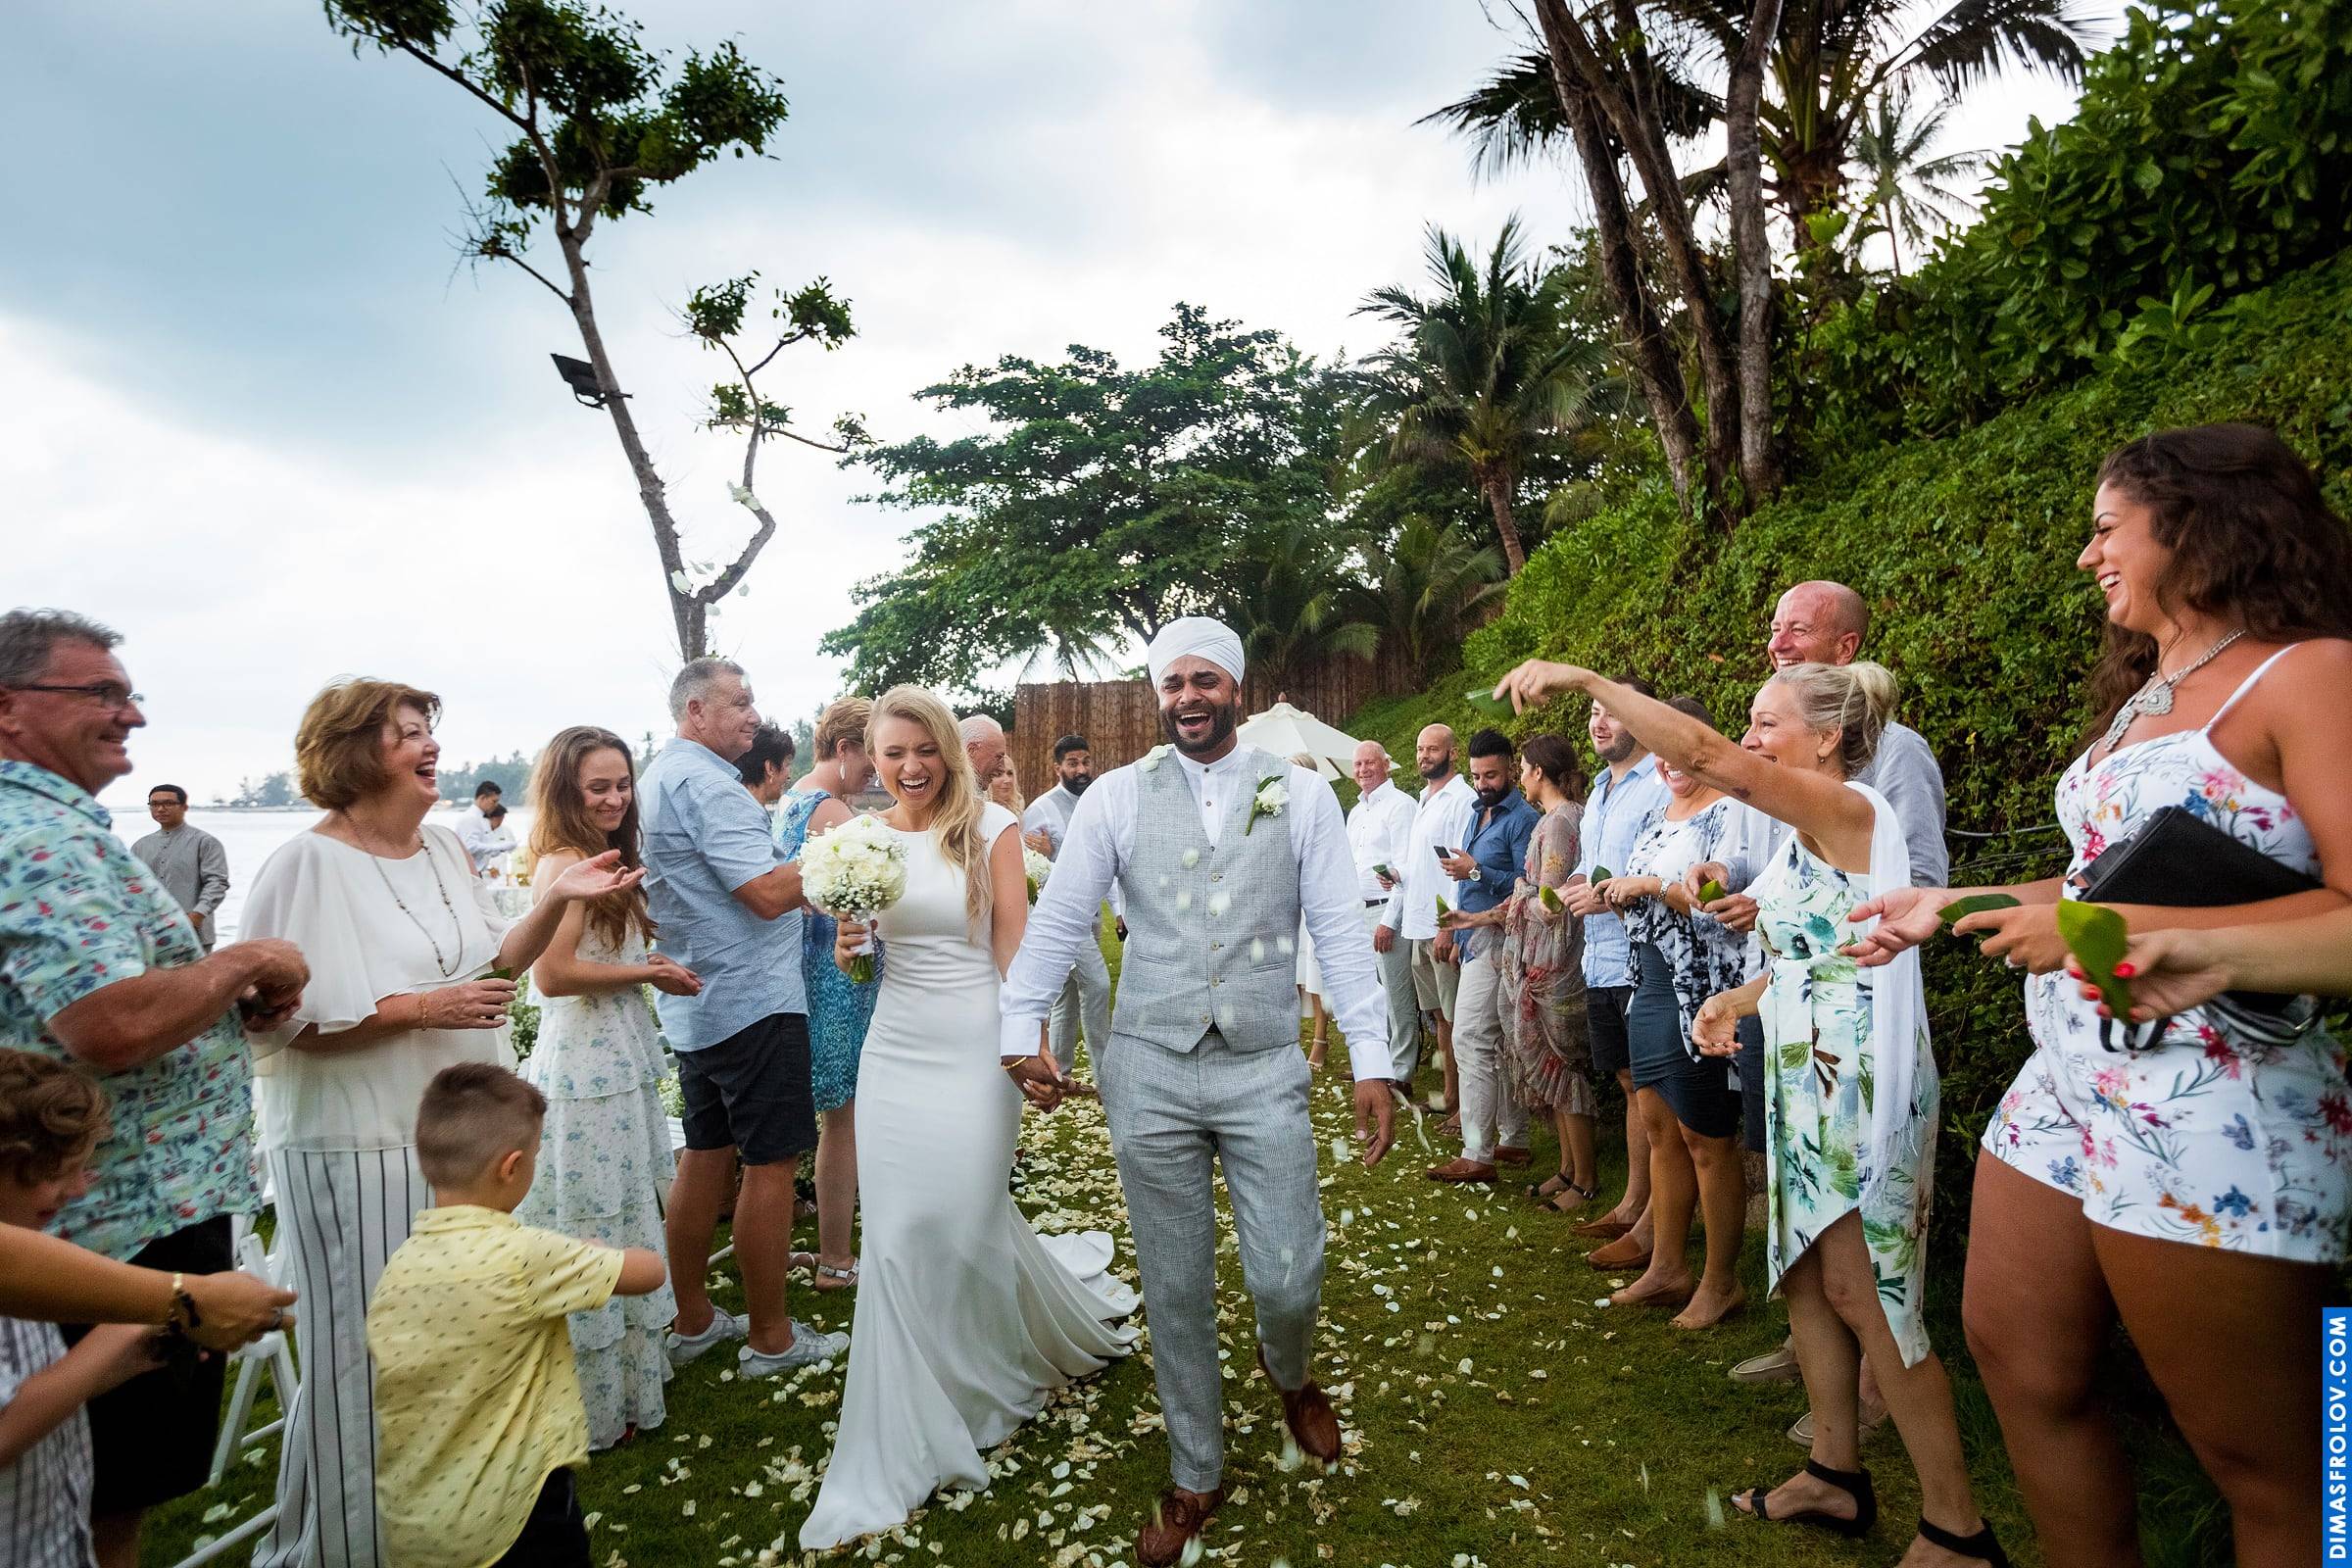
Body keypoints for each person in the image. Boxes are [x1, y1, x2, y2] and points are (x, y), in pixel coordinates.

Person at [1843, 424, 2352, 1568]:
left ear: (2198, 522)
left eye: (2108, 527)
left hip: (2220, 1097)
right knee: (2017, 1358)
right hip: (2070, 1075)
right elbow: (2096, 886)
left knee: (2283, 1462)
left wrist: (2111, 934)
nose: (2088, 556)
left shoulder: (2309, 673)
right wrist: (1951, 902)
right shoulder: (2148, 691)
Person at [1494, 656, 2006, 1568]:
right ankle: (1834, 1474)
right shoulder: (1801, 838)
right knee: (1804, 1276)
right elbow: (1823, 953)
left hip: (1859, 1081)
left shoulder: (1850, 811)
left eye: (1768, 723)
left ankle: (1957, 1528)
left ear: (1829, 737)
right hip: (1805, 1071)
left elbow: (1706, 757)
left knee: (1871, 1295)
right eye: (1749, 723)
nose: (1750, 739)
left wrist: (1588, 684)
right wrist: (1736, 999)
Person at [996, 616, 1396, 1566]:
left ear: (1235, 690)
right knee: (1174, 1283)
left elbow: (1339, 932)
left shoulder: (1301, 795)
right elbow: (1061, 921)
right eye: (1173, 682)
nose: (1188, 696)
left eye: (1204, 680)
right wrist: (1019, 1030)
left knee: (1289, 1270)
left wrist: (1371, 1057)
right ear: (1157, 693)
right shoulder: (1115, 798)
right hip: (1151, 1067)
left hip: (1263, 1063)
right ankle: (1196, 1470)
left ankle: (1288, 1368)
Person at [241, 677, 643, 1568]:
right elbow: (275, 1021)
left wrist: (557, 899)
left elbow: (496, 965)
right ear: (353, 753)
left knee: (462, 1354)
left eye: (429, 729)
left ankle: (454, 1536)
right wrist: (421, 1009)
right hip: (360, 1145)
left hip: (457, 1148)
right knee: (371, 1362)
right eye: (407, 732)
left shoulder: (444, 850)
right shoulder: (306, 865)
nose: (430, 745)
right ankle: (347, 1548)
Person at [0, 608, 309, 1568]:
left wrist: (215, 1005)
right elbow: (110, 1024)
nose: (130, 714)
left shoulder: (64, 829)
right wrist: (244, 959)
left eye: (130, 694)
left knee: (95, 1494)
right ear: (10, 707)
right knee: (93, 1506)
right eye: (101, 692)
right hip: (115, 1219)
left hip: (119, 1208)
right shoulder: (36, 838)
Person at [798, 687, 1137, 1548]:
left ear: (949, 750)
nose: (911, 767)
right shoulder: (860, 841)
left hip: (978, 1045)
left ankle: (988, 1366)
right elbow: (861, 966)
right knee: (901, 1230)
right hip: (895, 1050)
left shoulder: (991, 828)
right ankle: (921, 1395)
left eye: (925, 750)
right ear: (873, 760)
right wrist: (850, 947)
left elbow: (1012, 946)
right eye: (893, 754)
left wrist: (1027, 1046)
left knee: (964, 1216)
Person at [1731, 578, 1945, 1424]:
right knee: (1816, 1256)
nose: (1777, 640)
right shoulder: (1779, 758)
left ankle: (1875, 1390)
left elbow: (1921, 884)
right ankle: (1819, 1375)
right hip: (1795, 1027)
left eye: (1796, 629)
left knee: (1871, 1258)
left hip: (1858, 1038)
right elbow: (1794, 884)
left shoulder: (1896, 757)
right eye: (1774, 627)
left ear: (1845, 648)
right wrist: (1749, 905)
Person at [369, 1063, 666, 1568]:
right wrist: (590, 1251)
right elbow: (649, 1271)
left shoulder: (398, 1267)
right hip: (518, 1512)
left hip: (418, 1519)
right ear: (511, 1167)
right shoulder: (524, 1256)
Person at [638, 659, 842, 1377]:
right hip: (752, 999)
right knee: (771, 1164)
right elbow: (763, 892)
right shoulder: (707, 786)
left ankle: (693, 1319)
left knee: (706, 1151)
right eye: (740, 702)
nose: (754, 715)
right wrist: (848, 856)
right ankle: (772, 1338)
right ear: (696, 711)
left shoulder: (661, 776)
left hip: (700, 1000)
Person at [515, 726, 697, 1450]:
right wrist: (646, 973)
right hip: (583, 1070)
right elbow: (552, 974)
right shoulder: (564, 862)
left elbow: (601, 954)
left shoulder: (604, 854)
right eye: (599, 787)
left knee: (623, 1215)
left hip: (617, 1058)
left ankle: (625, 1385)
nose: (616, 798)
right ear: (567, 791)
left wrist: (649, 963)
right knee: (591, 1223)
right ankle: (591, 1403)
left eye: (623, 784)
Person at [1598, 698, 1771, 1325]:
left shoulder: (1730, 814)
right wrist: (1620, 894)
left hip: (1701, 988)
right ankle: (1666, 1266)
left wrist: (1650, 887)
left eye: (1681, 750)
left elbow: (1722, 911)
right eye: (1660, 751)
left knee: (1705, 1135)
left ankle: (1720, 1281)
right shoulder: (1656, 816)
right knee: (1658, 1126)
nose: (1669, 763)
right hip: (1648, 981)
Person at [0, 1052, 169, 1568]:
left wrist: (129, 1357)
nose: (76, 1191)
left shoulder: (31, 1256)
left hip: (58, 1539)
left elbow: (28, 1388)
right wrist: (121, 1329)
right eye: (58, 1172)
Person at [771, 698, 878, 1294]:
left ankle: (821, 1244)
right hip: (839, 971)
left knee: (834, 1115)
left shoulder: (791, 800)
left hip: (806, 966)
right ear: (844, 749)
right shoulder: (831, 811)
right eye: (871, 756)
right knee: (844, 1117)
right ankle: (836, 1259)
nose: (877, 772)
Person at [1564, 677, 1669, 1257]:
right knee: (1629, 1083)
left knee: (1653, 1091)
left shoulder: (1661, 782)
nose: (1599, 723)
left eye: (1612, 712)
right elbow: (1592, 863)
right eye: (1594, 712)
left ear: (1645, 716)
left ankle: (1653, 1216)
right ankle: (1633, 1203)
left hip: (1641, 956)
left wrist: (1608, 895)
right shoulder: (1601, 788)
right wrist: (1576, 884)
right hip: (1600, 959)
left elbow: (1665, 869)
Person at [1427, 730, 1539, 1183]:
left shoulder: (1523, 819)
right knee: (1495, 1041)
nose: (1482, 784)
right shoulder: (1477, 812)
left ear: (1510, 768)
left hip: (1502, 938)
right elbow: (1466, 881)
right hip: (1474, 937)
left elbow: (1528, 885)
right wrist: (1458, 930)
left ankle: (1477, 1152)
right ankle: (1513, 1138)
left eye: (1490, 775)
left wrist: (1475, 870)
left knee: (1470, 1036)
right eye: (1476, 775)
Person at [1494, 735, 1594, 1215]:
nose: (1520, 775)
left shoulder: (1560, 822)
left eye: (1523, 767)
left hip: (1554, 960)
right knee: (1553, 1068)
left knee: (1563, 1066)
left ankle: (1585, 1178)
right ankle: (1567, 1167)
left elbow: (1552, 904)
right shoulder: (1556, 818)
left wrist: (1521, 891)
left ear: (1538, 772)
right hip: (1543, 955)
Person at [1376, 724, 1474, 1113]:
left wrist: (1449, 926)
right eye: (1420, 749)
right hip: (1417, 924)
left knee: (1456, 1016)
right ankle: (1450, 1096)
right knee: (1438, 1015)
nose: (1424, 756)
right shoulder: (1424, 798)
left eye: (1432, 749)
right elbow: (1422, 864)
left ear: (1452, 753)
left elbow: (1460, 868)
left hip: (1441, 925)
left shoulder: (1461, 799)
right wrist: (1396, 874)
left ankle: (1464, 1105)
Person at [1021, 734, 1115, 1078]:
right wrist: (1048, 855)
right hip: (1060, 918)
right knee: (1098, 984)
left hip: (1091, 917)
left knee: (1069, 996)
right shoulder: (1041, 809)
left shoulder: (1095, 803)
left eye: (1085, 761)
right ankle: (1106, 1073)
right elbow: (1028, 873)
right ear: (1057, 767)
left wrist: (1118, 910)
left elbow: (1104, 859)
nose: (1081, 769)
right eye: (1072, 763)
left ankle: (1057, 1073)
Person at [1345, 740, 1420, 1093]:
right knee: (1368, 995)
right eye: (1358, 765)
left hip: (1388, 910)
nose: (1362, 770)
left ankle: (1401, 1072)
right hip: (1358, 910)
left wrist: (1389, 921)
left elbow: (1406, 867)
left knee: (1395, 993)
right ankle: (1376, 1064)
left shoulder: (1401, 806)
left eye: (1369, 763)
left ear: (1386, 764)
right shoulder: (1356, 812)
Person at [131, 785, 228, 952]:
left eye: (168, 803)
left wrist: (197, 915)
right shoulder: (140, 846)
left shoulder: (205, 842)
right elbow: (132, 887)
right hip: (151, 936)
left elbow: (217, 882)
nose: (160, 809)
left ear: (184, 807)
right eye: (154, 804)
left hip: (194, 934)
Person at [1287, 753, 1333, 1065]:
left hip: (1313, 898)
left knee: (1313, 974)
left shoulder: (1320, 808)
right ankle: (1289, 1038)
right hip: (1286, 899)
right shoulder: (1276, 809)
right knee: (1290, 972)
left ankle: (1320, 1040)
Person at [455, 780, 514, 876]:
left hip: (478, 872)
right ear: (482, 798)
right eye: (494, 801)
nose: (496, 805)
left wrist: (501, 849)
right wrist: (501, 846)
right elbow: (470, 846)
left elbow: (484, 849)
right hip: (469, 873)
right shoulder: (471, 818)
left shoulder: (482, 819)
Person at [734, 721, 796, 809]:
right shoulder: (752, 815)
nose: (789, 777)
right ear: (770, 768)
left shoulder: (732, 806)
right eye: (787, 764)